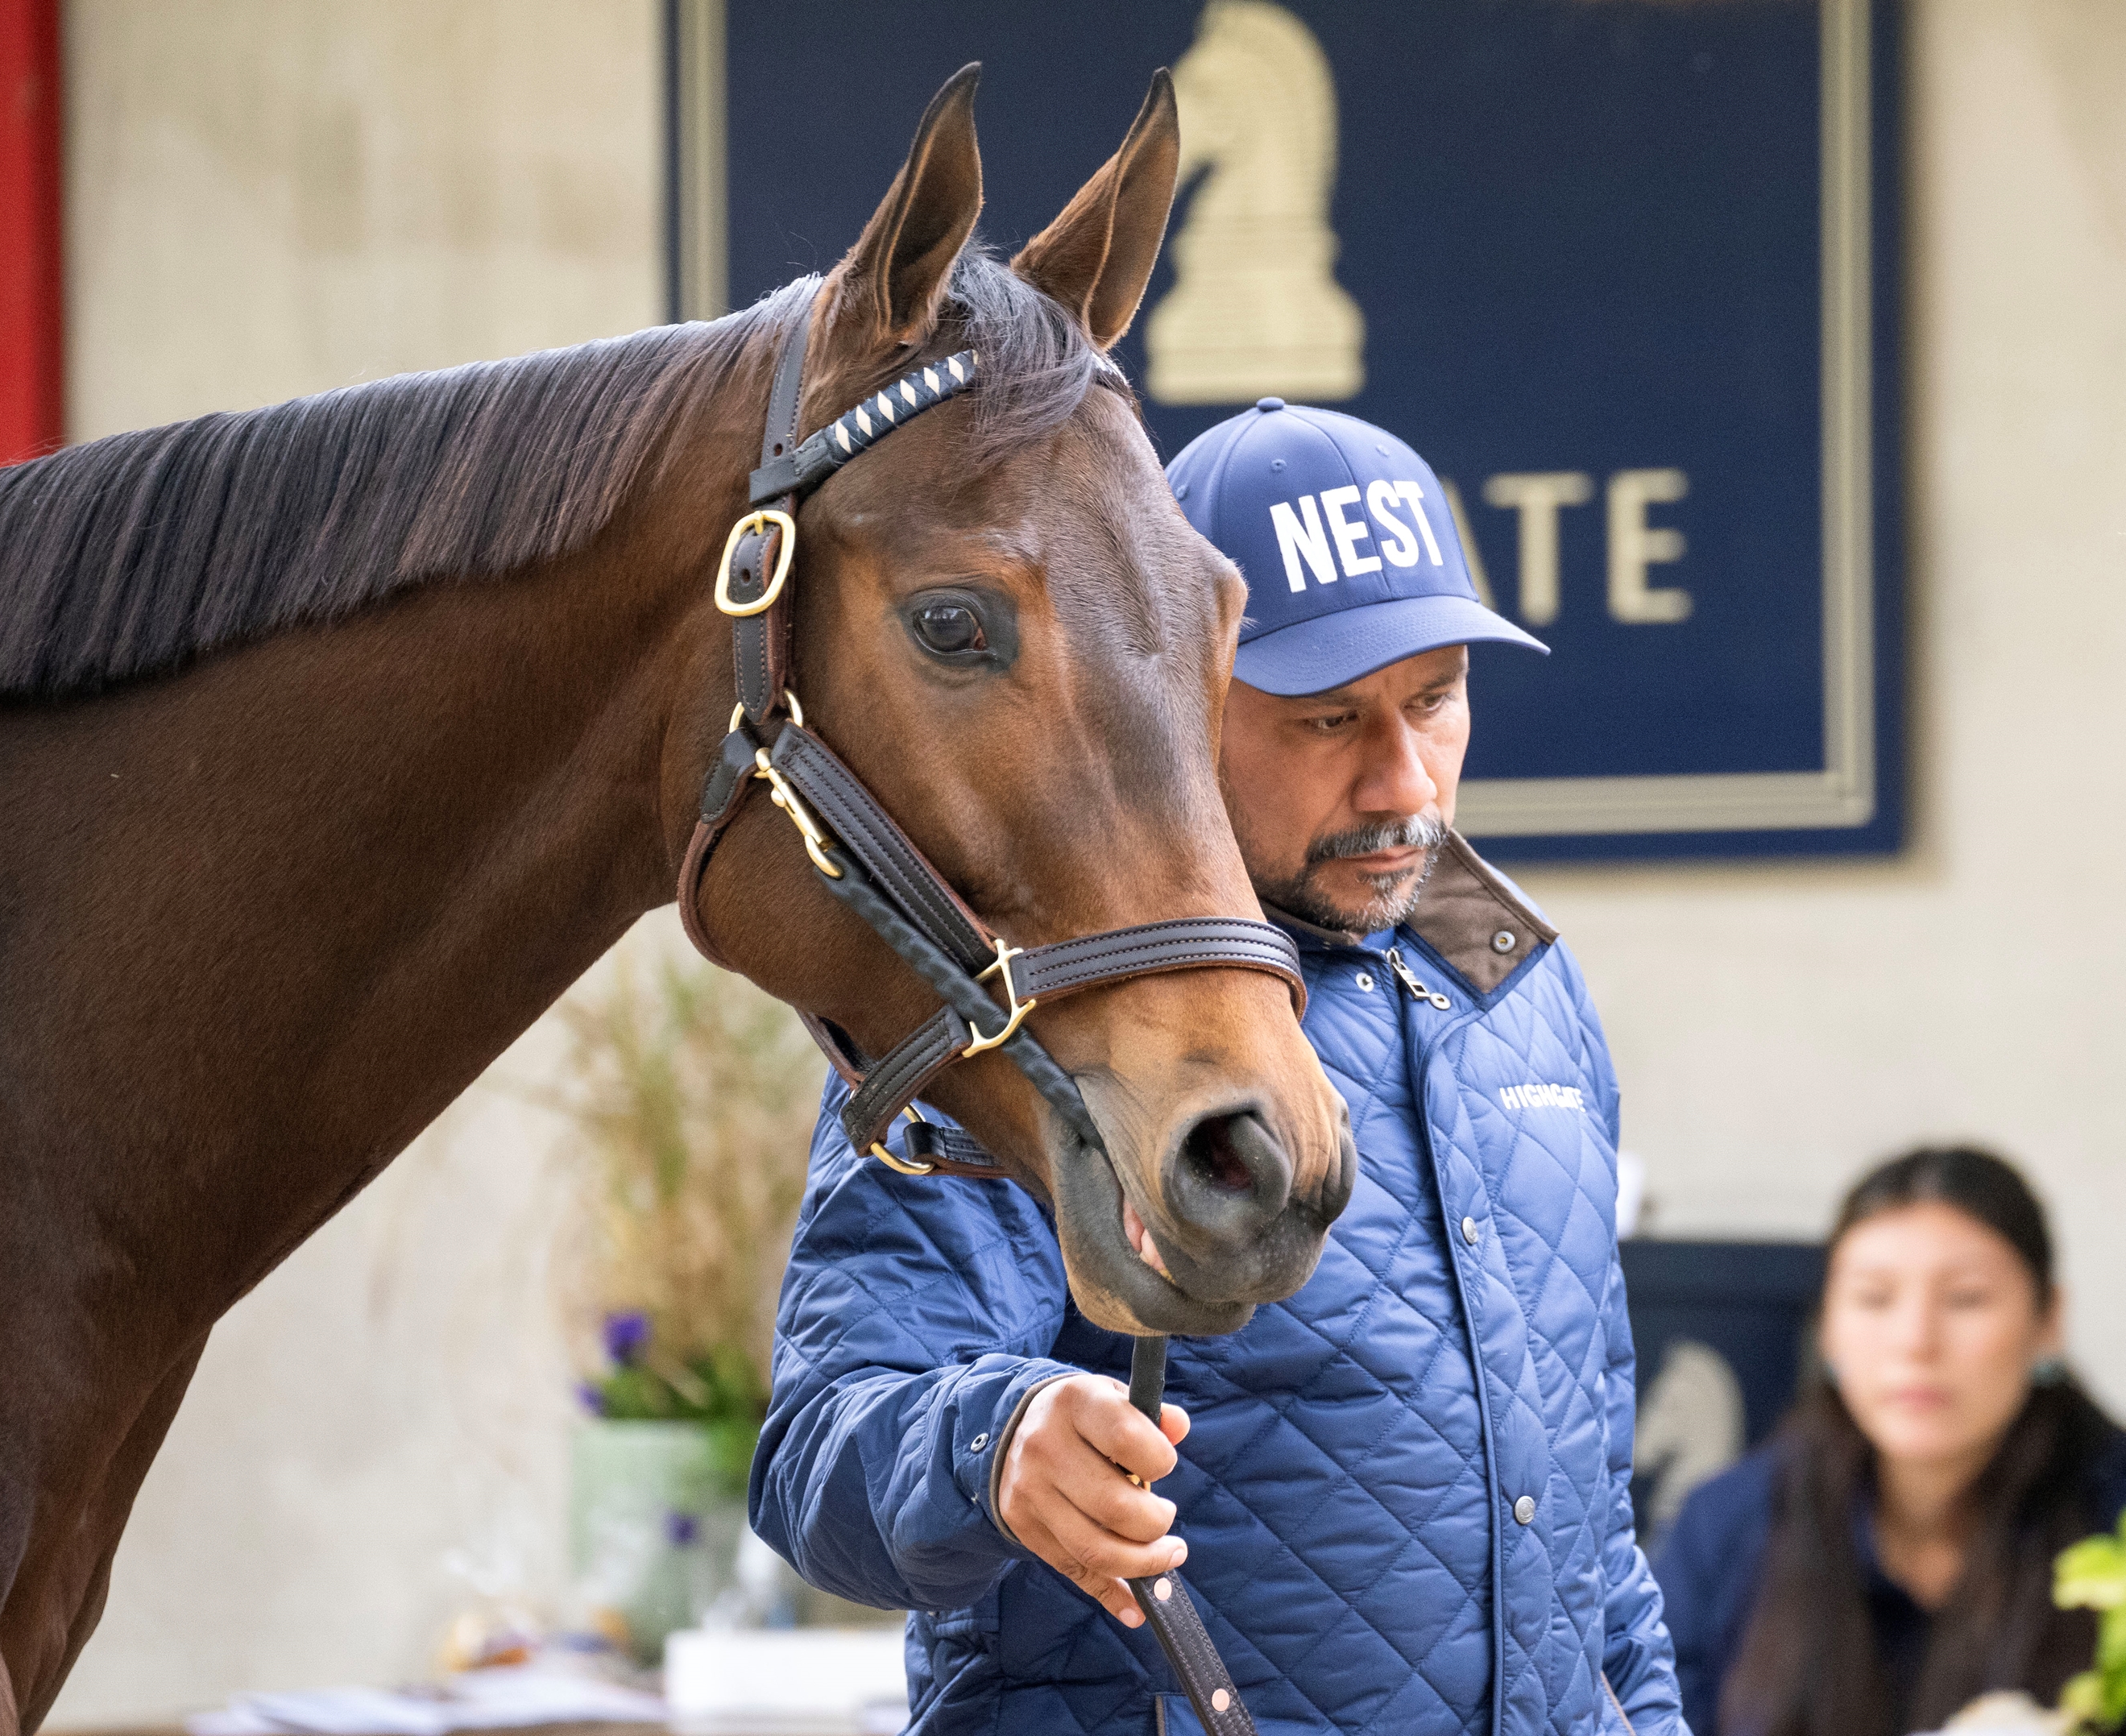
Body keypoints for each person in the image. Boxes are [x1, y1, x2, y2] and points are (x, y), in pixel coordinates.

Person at [749, 400, 1685, 1735]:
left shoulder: (1520, 982)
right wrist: (991, 1445)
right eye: (1325, 721)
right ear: (1173, 695)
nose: (1401, 781)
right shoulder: (1028, 994)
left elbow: (1595, 1546)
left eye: (1434, 701)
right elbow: (815, 1460)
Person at [1656, 1149, 2126, 1736]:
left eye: (1967, 1298)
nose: (1914, 1341)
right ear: (1827, 1327)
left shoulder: (2114, 1515)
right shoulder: (1728, 1523)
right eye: (1875, 1298)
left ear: (2048, 1319)